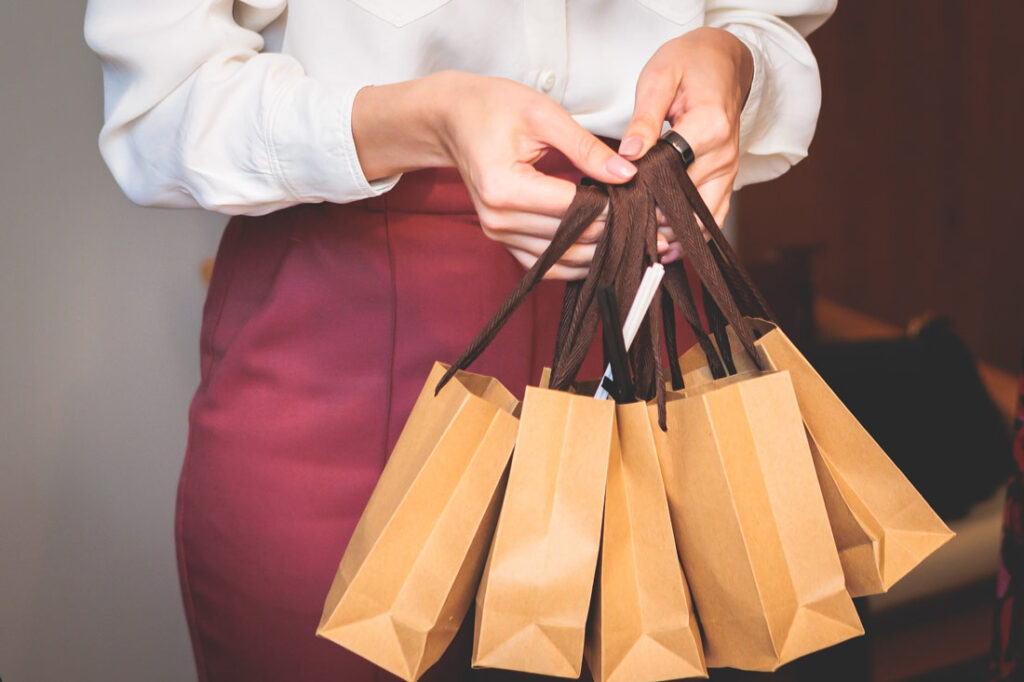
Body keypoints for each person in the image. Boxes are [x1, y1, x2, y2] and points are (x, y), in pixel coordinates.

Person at [84, 1, 836, 680]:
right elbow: (161, 105)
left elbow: (768, 23)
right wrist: (425, 117)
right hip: (348, 346)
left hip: (644, 305)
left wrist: (734, 62)